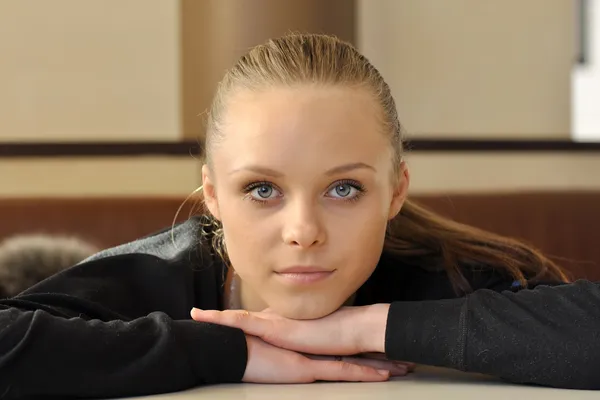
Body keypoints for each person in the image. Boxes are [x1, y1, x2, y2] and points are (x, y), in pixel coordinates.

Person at [1, 33, 599, 399]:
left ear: (395, 193)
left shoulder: (444, 276)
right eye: (262, 189)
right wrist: (229, 351)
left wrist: (358, 329)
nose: (304, 231)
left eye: (343, 189)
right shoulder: (151, 278)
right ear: (211, 195)